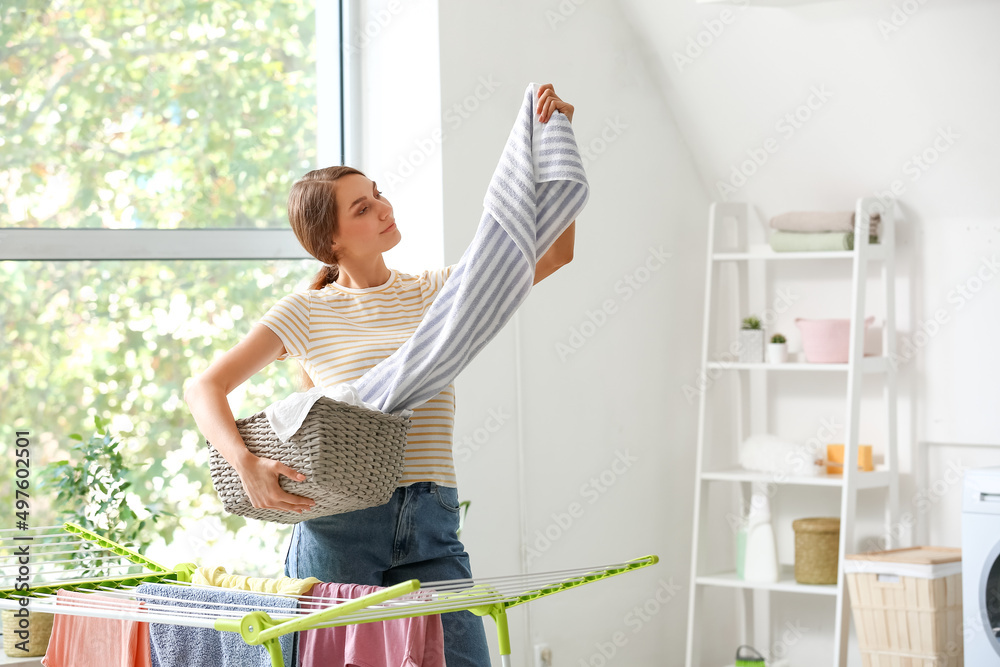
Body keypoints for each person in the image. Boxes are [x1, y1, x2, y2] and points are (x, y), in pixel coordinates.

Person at [185, 83, 576, 665]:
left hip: (432, 519)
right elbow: (204, 386)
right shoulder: (305, 312)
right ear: (331, 239)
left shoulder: (437, 294)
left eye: (378, 195)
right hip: (338, 530)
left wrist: (557, 138)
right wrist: (247, 465)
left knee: (468, 657)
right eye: (361, 208)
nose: (383, 209)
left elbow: (551, 255)